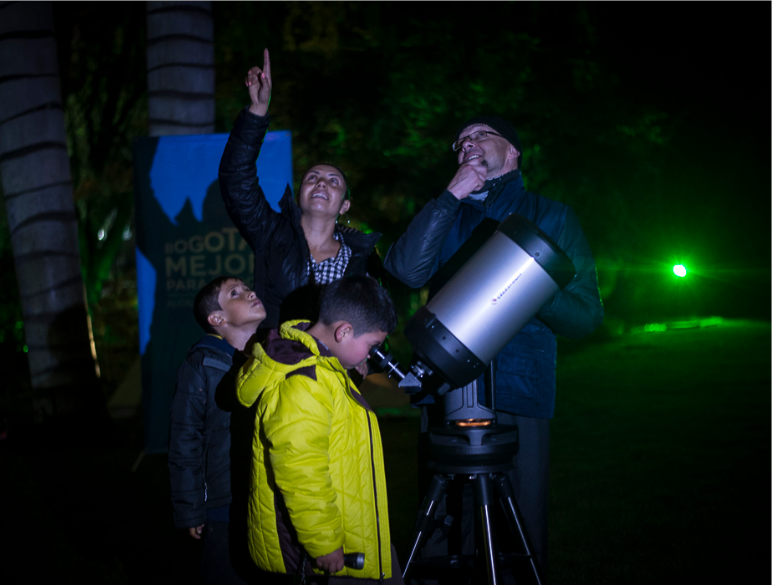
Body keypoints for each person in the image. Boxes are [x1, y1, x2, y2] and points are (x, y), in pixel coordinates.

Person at [384, 116, 604, 580]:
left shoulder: (553, 216)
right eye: (460, 140)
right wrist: (450, 196)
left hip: (520, 390)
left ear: (514, 151)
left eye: (481, 135)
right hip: (448, 388)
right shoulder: (447, 212)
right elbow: (405, 271)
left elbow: (585, 317)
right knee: (447, 522)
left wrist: (529, 284)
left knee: (518, 524)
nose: (468, 143)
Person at [235, 276, 404, 583]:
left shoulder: (324, 369)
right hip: (329, 547)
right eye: (371, 346)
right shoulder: (303, 383)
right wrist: (324, 542)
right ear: (344, 331)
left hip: (350, 530)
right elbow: (300, 471)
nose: (372, 355)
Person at [219, 49, 385, 330]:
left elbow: (376, 321)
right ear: (300, 195)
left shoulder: (364, 257)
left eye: (334, 181)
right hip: (279, 365)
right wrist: (257, 112)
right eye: (312, 178)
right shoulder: (270, 233)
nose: (322, 183)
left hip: (337, 372)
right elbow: (236, 179)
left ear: (344, 205)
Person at [168, 276, 267, 584]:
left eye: (247, 287)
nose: (250, 292)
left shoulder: (274, 357)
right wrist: (191, 510)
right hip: (223, 506)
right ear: (217, 318)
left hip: (268, 501)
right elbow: (184, 441)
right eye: (235, 293)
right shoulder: (201, 365)